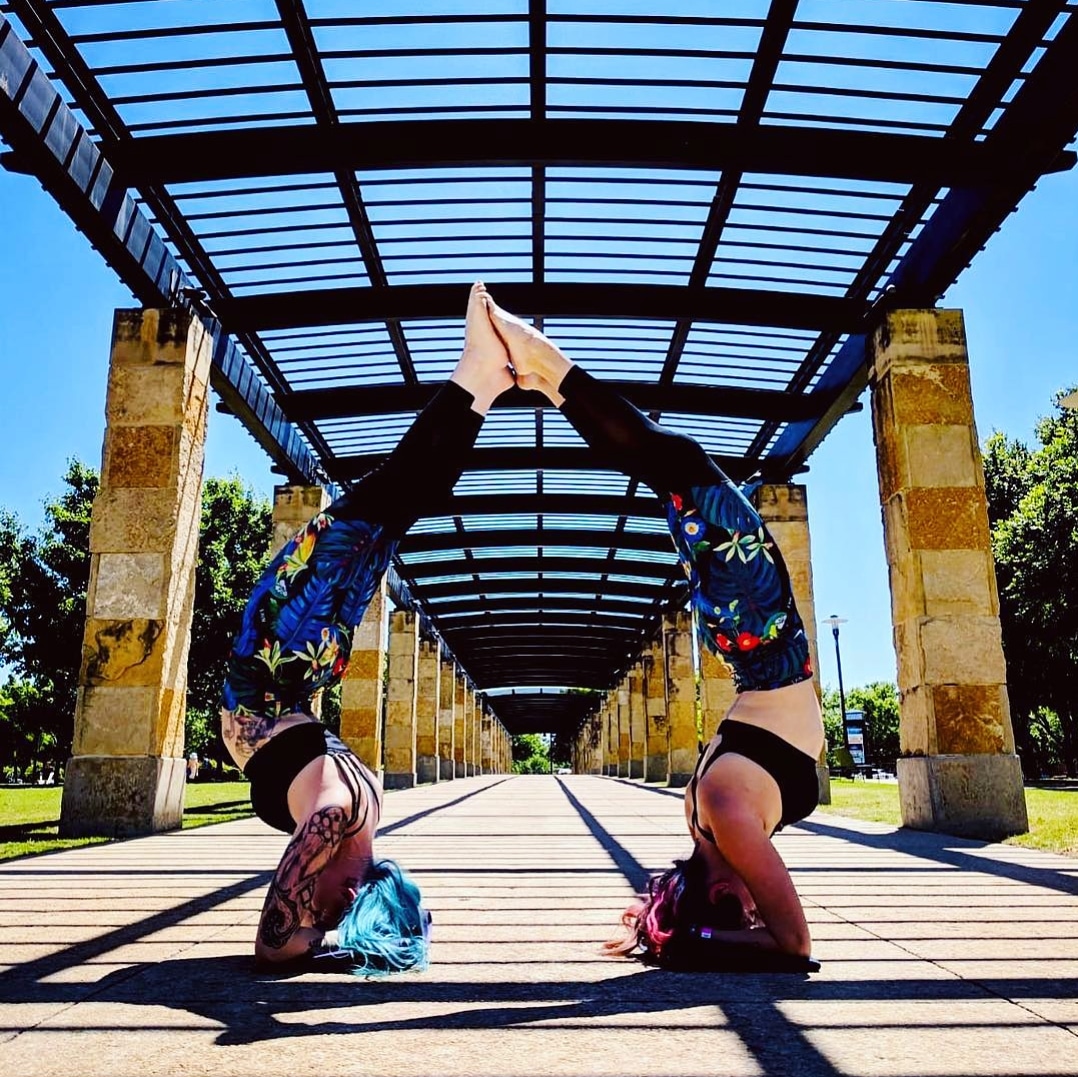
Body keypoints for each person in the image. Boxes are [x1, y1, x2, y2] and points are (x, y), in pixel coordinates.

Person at [483, 294, 824, 967]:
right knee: (672, 466)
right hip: (754, 642)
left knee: (673, 463)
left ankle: (547, 368)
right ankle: (545, 375)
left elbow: (795, 943)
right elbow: (755, 923)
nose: (752, 900)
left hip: (762, 638)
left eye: (735, 903)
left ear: (711, 892)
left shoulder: (725, 817)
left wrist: (688, 937)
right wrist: (685, 932)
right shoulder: (712, 825)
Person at [219, 282, 514, 972]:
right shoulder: (341, 812)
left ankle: (482, 382)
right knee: (392, 498)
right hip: (283, 659)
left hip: (289, 664)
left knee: (395, 500)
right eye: (333, 904)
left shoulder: (352, 814)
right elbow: (277, 942)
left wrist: (329, 930)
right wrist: (323, 935)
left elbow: (282, 933)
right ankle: (478, 378)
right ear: (353, 888)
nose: (314, 904)